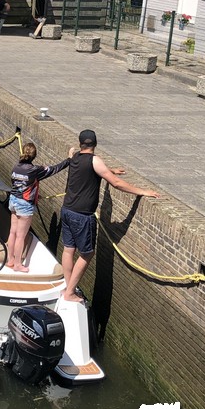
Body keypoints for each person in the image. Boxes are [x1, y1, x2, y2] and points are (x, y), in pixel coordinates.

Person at [60, 129, 161, 303]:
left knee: (68, 250)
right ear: (95, 144)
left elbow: (90, 170)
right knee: (87, 253)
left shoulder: (74, 157)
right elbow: (116, 183)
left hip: (67, 210)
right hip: (82, 216)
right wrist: (142, 191)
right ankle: (69, 293)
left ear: (80, 143)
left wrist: (109, 170)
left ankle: (68, 287)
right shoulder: (94, 160)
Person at [7, 142, 71, 273]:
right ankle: (18, 265)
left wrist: (34, 194)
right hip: (24, 204)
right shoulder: (35, 170)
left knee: (13, 232)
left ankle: (10, 260)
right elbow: (54, 169)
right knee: (20, 236)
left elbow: (17, 184)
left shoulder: (15, 167)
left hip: (13, 200)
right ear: (34, 156)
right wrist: (69, 160)